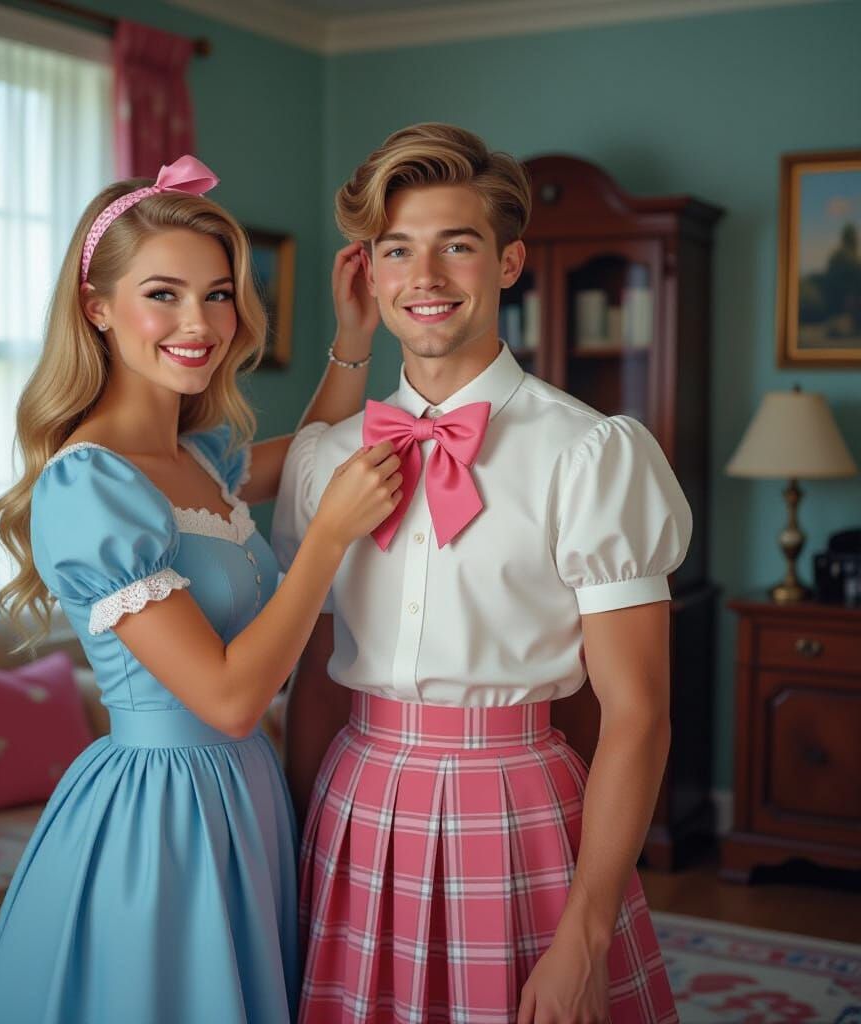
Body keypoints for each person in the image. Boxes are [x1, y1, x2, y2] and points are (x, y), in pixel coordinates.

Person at [0, 155, 400, 1024]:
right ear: (97, 307)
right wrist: (326, 539)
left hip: (245, 795)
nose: (198, 323)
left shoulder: (198, 458)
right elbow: (232, 701)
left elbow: (314, 454)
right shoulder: (89, 485)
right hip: (160, 815)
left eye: (217, 294)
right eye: (162, 294)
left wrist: (353, 339)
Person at [274, 124, 689, 1024]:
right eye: (398, 250)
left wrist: (585, 935)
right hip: (352, 807)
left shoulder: (592, 454)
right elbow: (315, 680)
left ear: (508, 263)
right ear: (370, 272)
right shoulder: (323, 460)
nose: (424, 276)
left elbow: (639, 712)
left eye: (455, 245)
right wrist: (296, 858)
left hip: (518, 811)